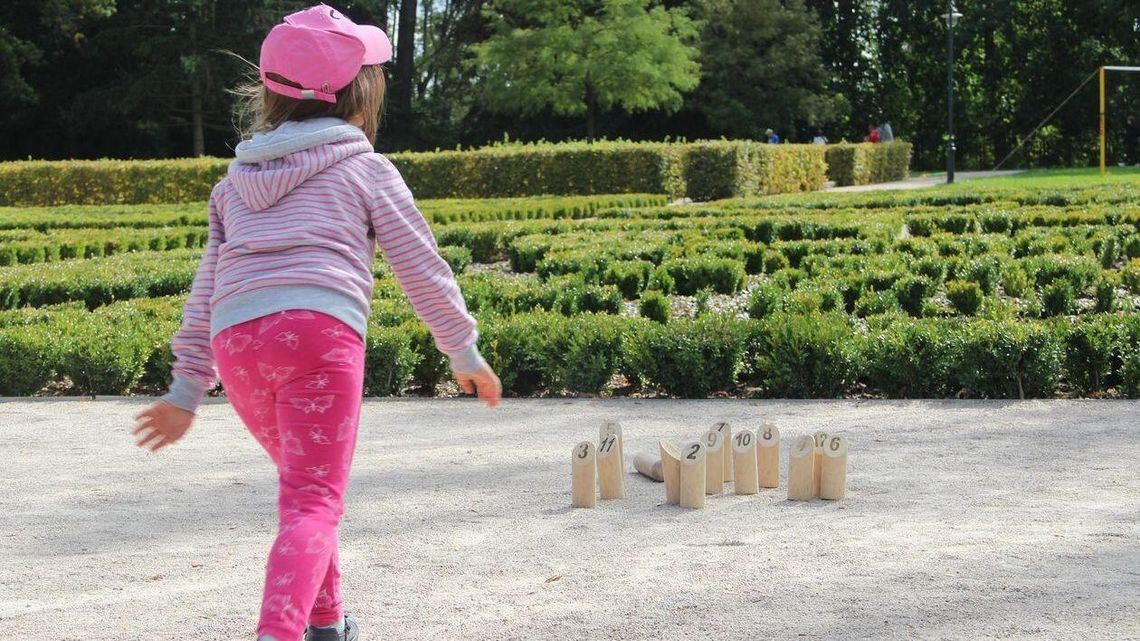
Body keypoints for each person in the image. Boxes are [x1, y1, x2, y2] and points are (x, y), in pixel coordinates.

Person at [130, 5, 502, 641]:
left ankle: (327, 623)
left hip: (238, 345)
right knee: (314, 498)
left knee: (303, 489)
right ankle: (278, 633)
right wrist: (462, 350)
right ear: (361, 92)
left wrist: (187, 388)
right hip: (318, 336)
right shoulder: (366, 169)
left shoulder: (231, 186)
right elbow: (420, 265)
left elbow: (206, 289)